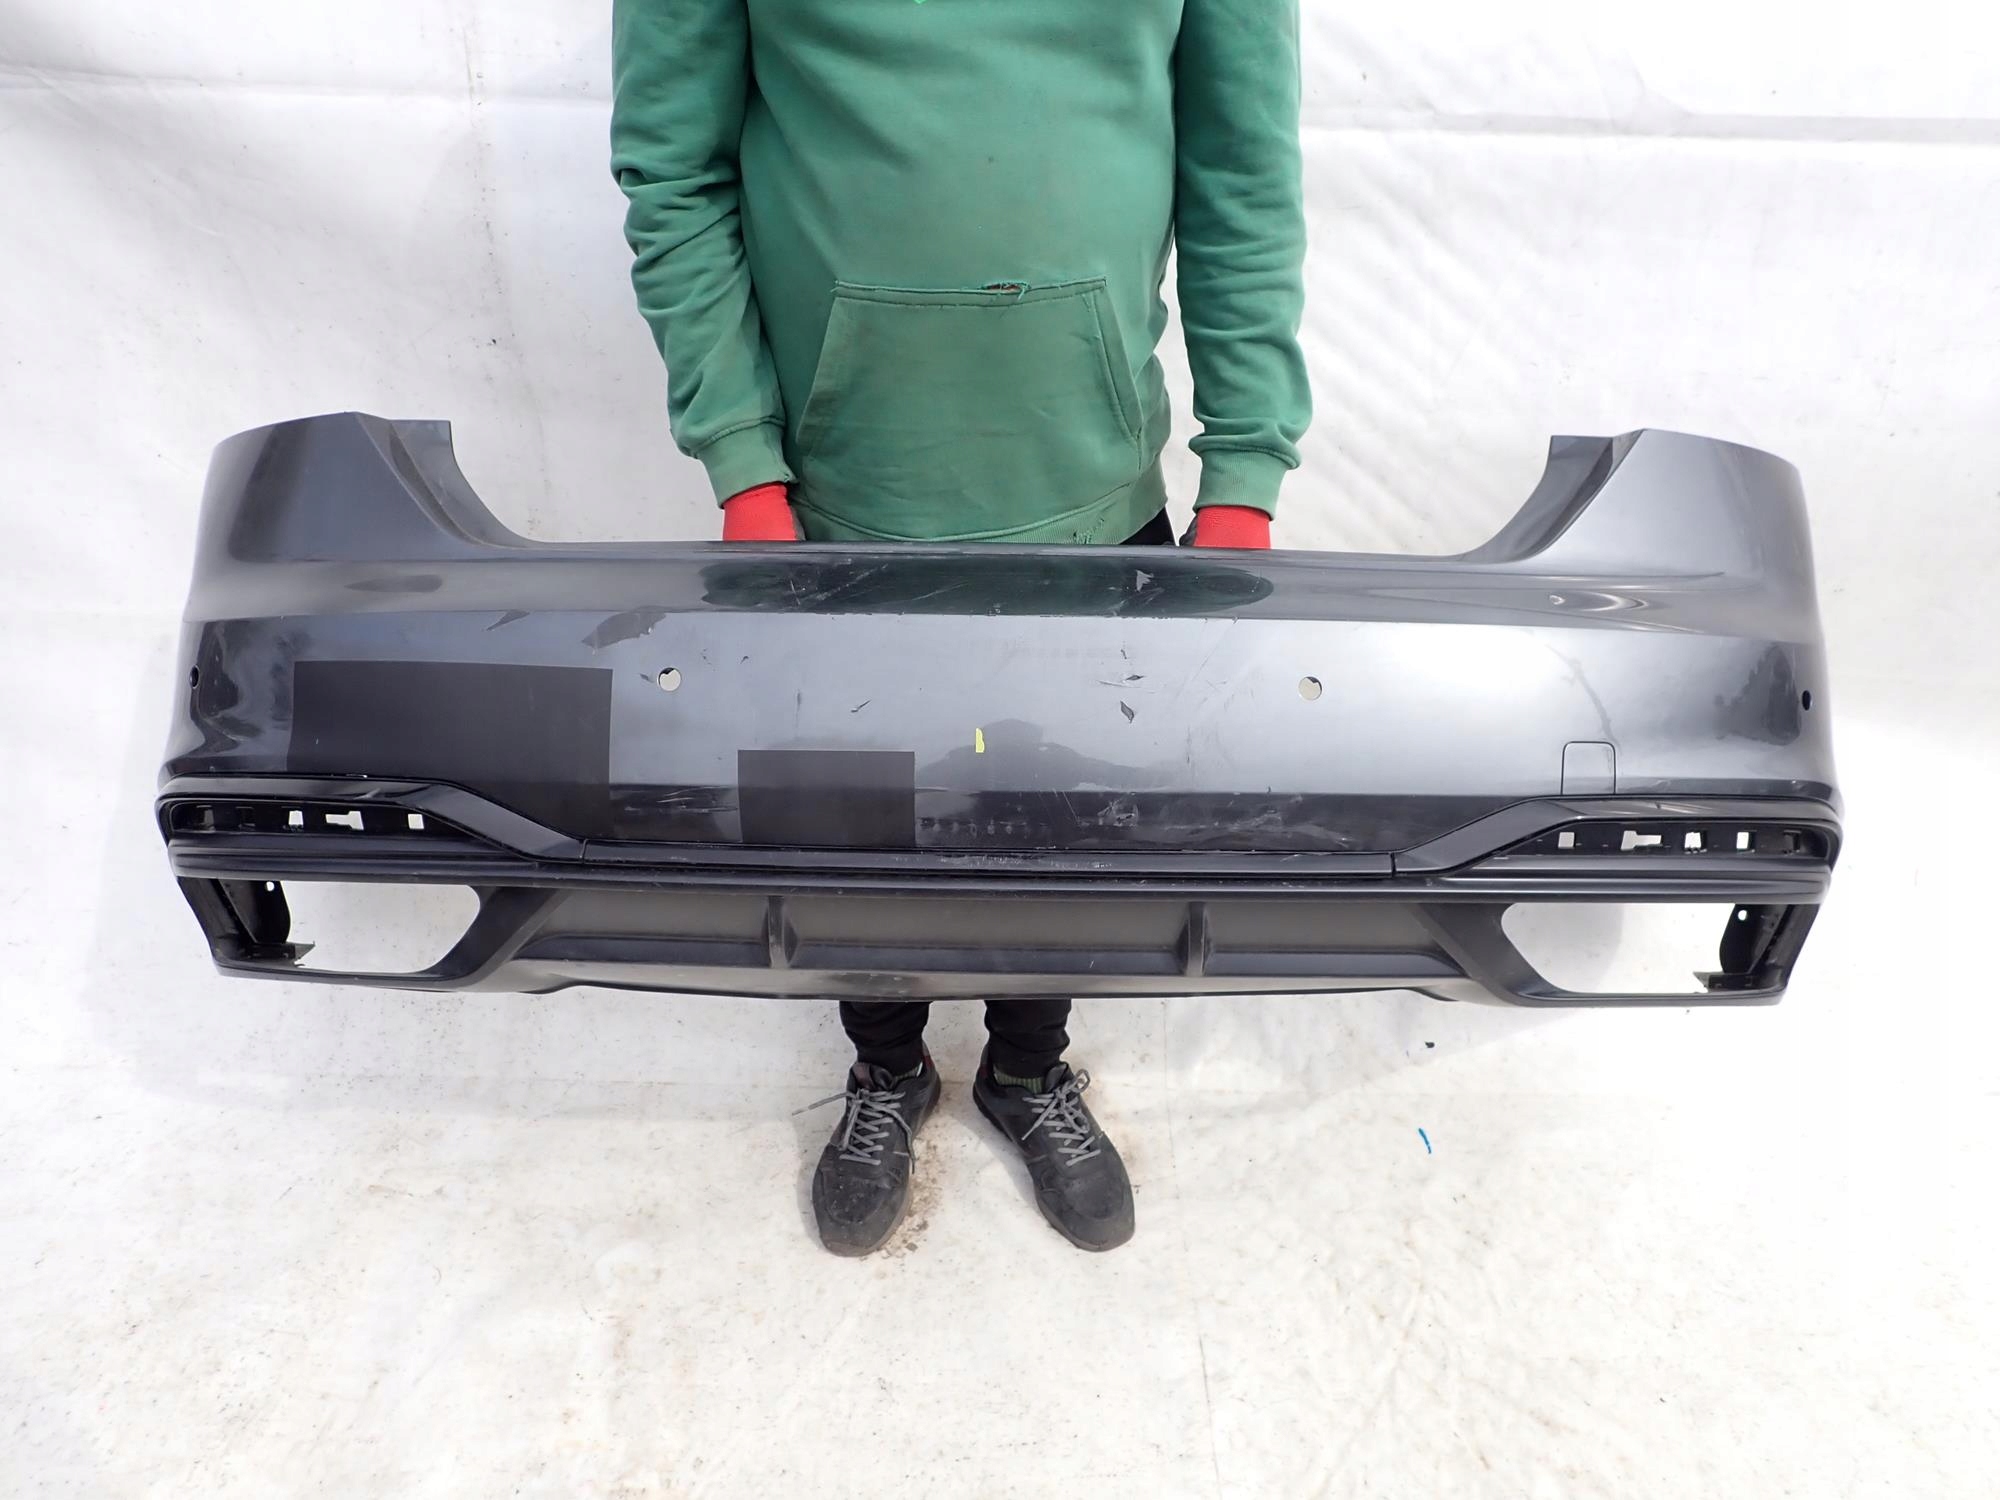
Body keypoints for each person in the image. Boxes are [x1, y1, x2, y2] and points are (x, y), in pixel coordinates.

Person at [610, 0, 1310, 1255]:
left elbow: (1240, 169)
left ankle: (1027, 1068)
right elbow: (675, 170)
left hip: (1092, 493)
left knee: (1066, 817)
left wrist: (1243, 475)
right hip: (833, 502)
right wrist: (743, 465)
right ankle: (885, 1067)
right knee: (842, 818)